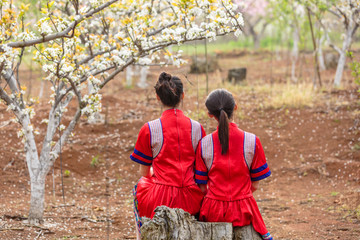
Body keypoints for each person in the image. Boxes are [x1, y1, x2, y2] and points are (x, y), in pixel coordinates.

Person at [130, 72, 205, 238]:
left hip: (158, 200)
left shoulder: (149, 129)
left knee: (139, 187)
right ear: (183, 96)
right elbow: (201, 171)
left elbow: (144, 173)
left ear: (157, 97)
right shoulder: (197, 128)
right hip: (191, 198)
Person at [195, 89, 272, 240]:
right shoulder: (252, 141)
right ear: (235, 107)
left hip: (212, 211)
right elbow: (255, 185)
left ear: (210, 114)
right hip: (244, 210)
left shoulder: (204, 144)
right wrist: (239, 198)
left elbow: (202, 187)